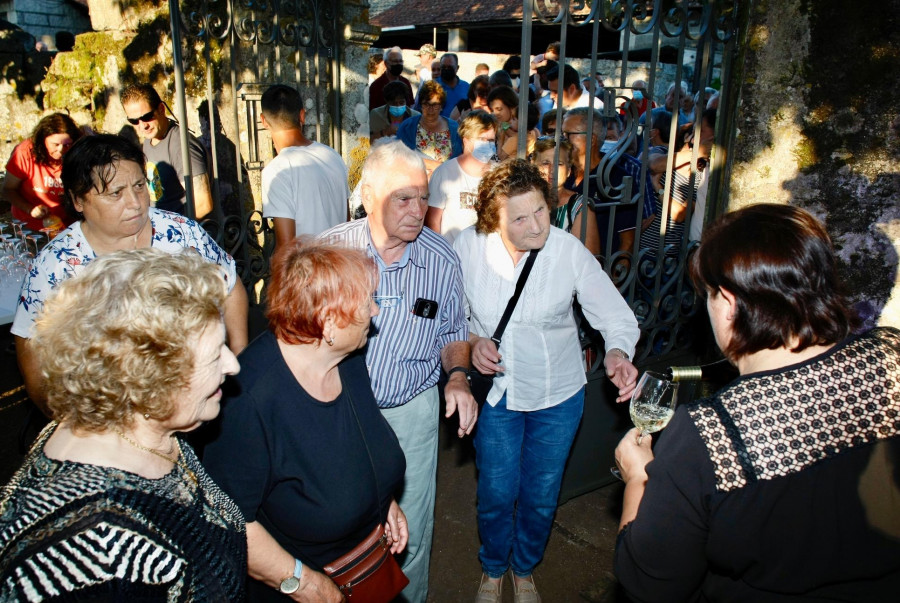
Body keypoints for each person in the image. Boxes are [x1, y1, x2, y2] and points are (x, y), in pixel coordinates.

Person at [614, 203, 900, 601]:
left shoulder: (711, 434)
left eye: (708, 295)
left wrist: (638, 480)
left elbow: (650, 582)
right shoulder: (893, 356)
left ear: (728, 304)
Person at [0, 248, 245, 600]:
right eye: (213, 356)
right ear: (147, 379)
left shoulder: (143, 430)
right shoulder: (92, 552)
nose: (232, 365)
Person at [454, 159, 639, 603]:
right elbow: (447, 315)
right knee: (497, 491)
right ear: (492, 220)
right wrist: (473, 340)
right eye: (519, 218)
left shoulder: (565, 250)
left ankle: (524, 569)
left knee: (540, 494)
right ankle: (493, 567)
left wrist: (617, 351)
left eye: (540, 210)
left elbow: (615, 315)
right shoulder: (466, 247)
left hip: (558, 393)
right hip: (496, 394)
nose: (536, 225)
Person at [204, 240, 408, 602]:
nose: (375, 311)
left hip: (364, 573)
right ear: (330, 322)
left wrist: (382, 499)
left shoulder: (346, 359)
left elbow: (355, 447)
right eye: (367, 304)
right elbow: (231, 523)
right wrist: (305, 584)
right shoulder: (248, 402)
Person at [320, 140, 477, 602]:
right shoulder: (331, 252)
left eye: (423, 198)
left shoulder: (441, 260)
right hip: (340, 410)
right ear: (367, 195)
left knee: (411, 523)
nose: (416, 210)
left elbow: (453, 333)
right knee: (338, 520)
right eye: (402, 198)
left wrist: (457, 378)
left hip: (411, 411)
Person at [12, 134, 248, 417]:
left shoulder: (182, 233)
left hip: (201, 400)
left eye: (139, 186)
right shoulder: (56, 265)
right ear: (77, 200)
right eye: (115, 193)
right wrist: (67, 419)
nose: (135, 203)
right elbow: (30, 344)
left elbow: (230, 286)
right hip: (112, 420)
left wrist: (238, 363)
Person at [260, 84, 349, 250]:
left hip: (308, 272)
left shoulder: (276, 171)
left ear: (263, 120)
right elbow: (347, 223)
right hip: (342, 266)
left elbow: (286, 247)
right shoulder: (332, 155)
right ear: (302, 115)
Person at [120, 83, 214, 218]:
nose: (142, 126)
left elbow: (203, 205)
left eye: (147, 117)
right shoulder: (150, 139)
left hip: (181, 233)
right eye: (134, 121)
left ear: (161, 109)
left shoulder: (181, 145)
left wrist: (169, 230)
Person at [2, 112, 82, 233]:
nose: (60, 150)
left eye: (67, 144)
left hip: (69, 225)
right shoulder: (25, 152)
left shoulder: (77, 152)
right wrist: (31, 210)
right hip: (30, 226)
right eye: (55, 144)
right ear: (43, 139)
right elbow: (7, 190)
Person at [425, 110, 498, 243]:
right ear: (466, 140)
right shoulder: (445, 173)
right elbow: (432, 223)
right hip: (452, 256)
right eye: (482, 139)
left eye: (491, 140)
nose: (488, 144)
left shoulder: (499, 174)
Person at [530, 136, 599, 255]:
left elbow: (587, 260)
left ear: (568, 171)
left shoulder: (580, 206)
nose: (552, 170)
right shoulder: (520, 199)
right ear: (533, 165)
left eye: (559, 164)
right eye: (546, 163)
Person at [397, 79, 463, 175]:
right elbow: (399, 156)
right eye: (426, 104)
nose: (430, 109)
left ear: (441, 106)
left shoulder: (454, 128)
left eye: (435, 105)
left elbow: (460, 159)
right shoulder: (407, 126)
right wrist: (434, 165)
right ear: (420, 105)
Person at [369, 46, 415, 112]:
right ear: (386, 63)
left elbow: (410, 107)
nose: (398, 64)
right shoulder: (376, 86)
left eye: (400, 61)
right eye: (395, 61)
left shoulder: (406, 82)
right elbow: (372, 111)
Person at [433, 53, 469, 118]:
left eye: (450, 67)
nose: (446, 69)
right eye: (443, 67)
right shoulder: (432, 86)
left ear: (457, 68)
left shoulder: (466, 87)